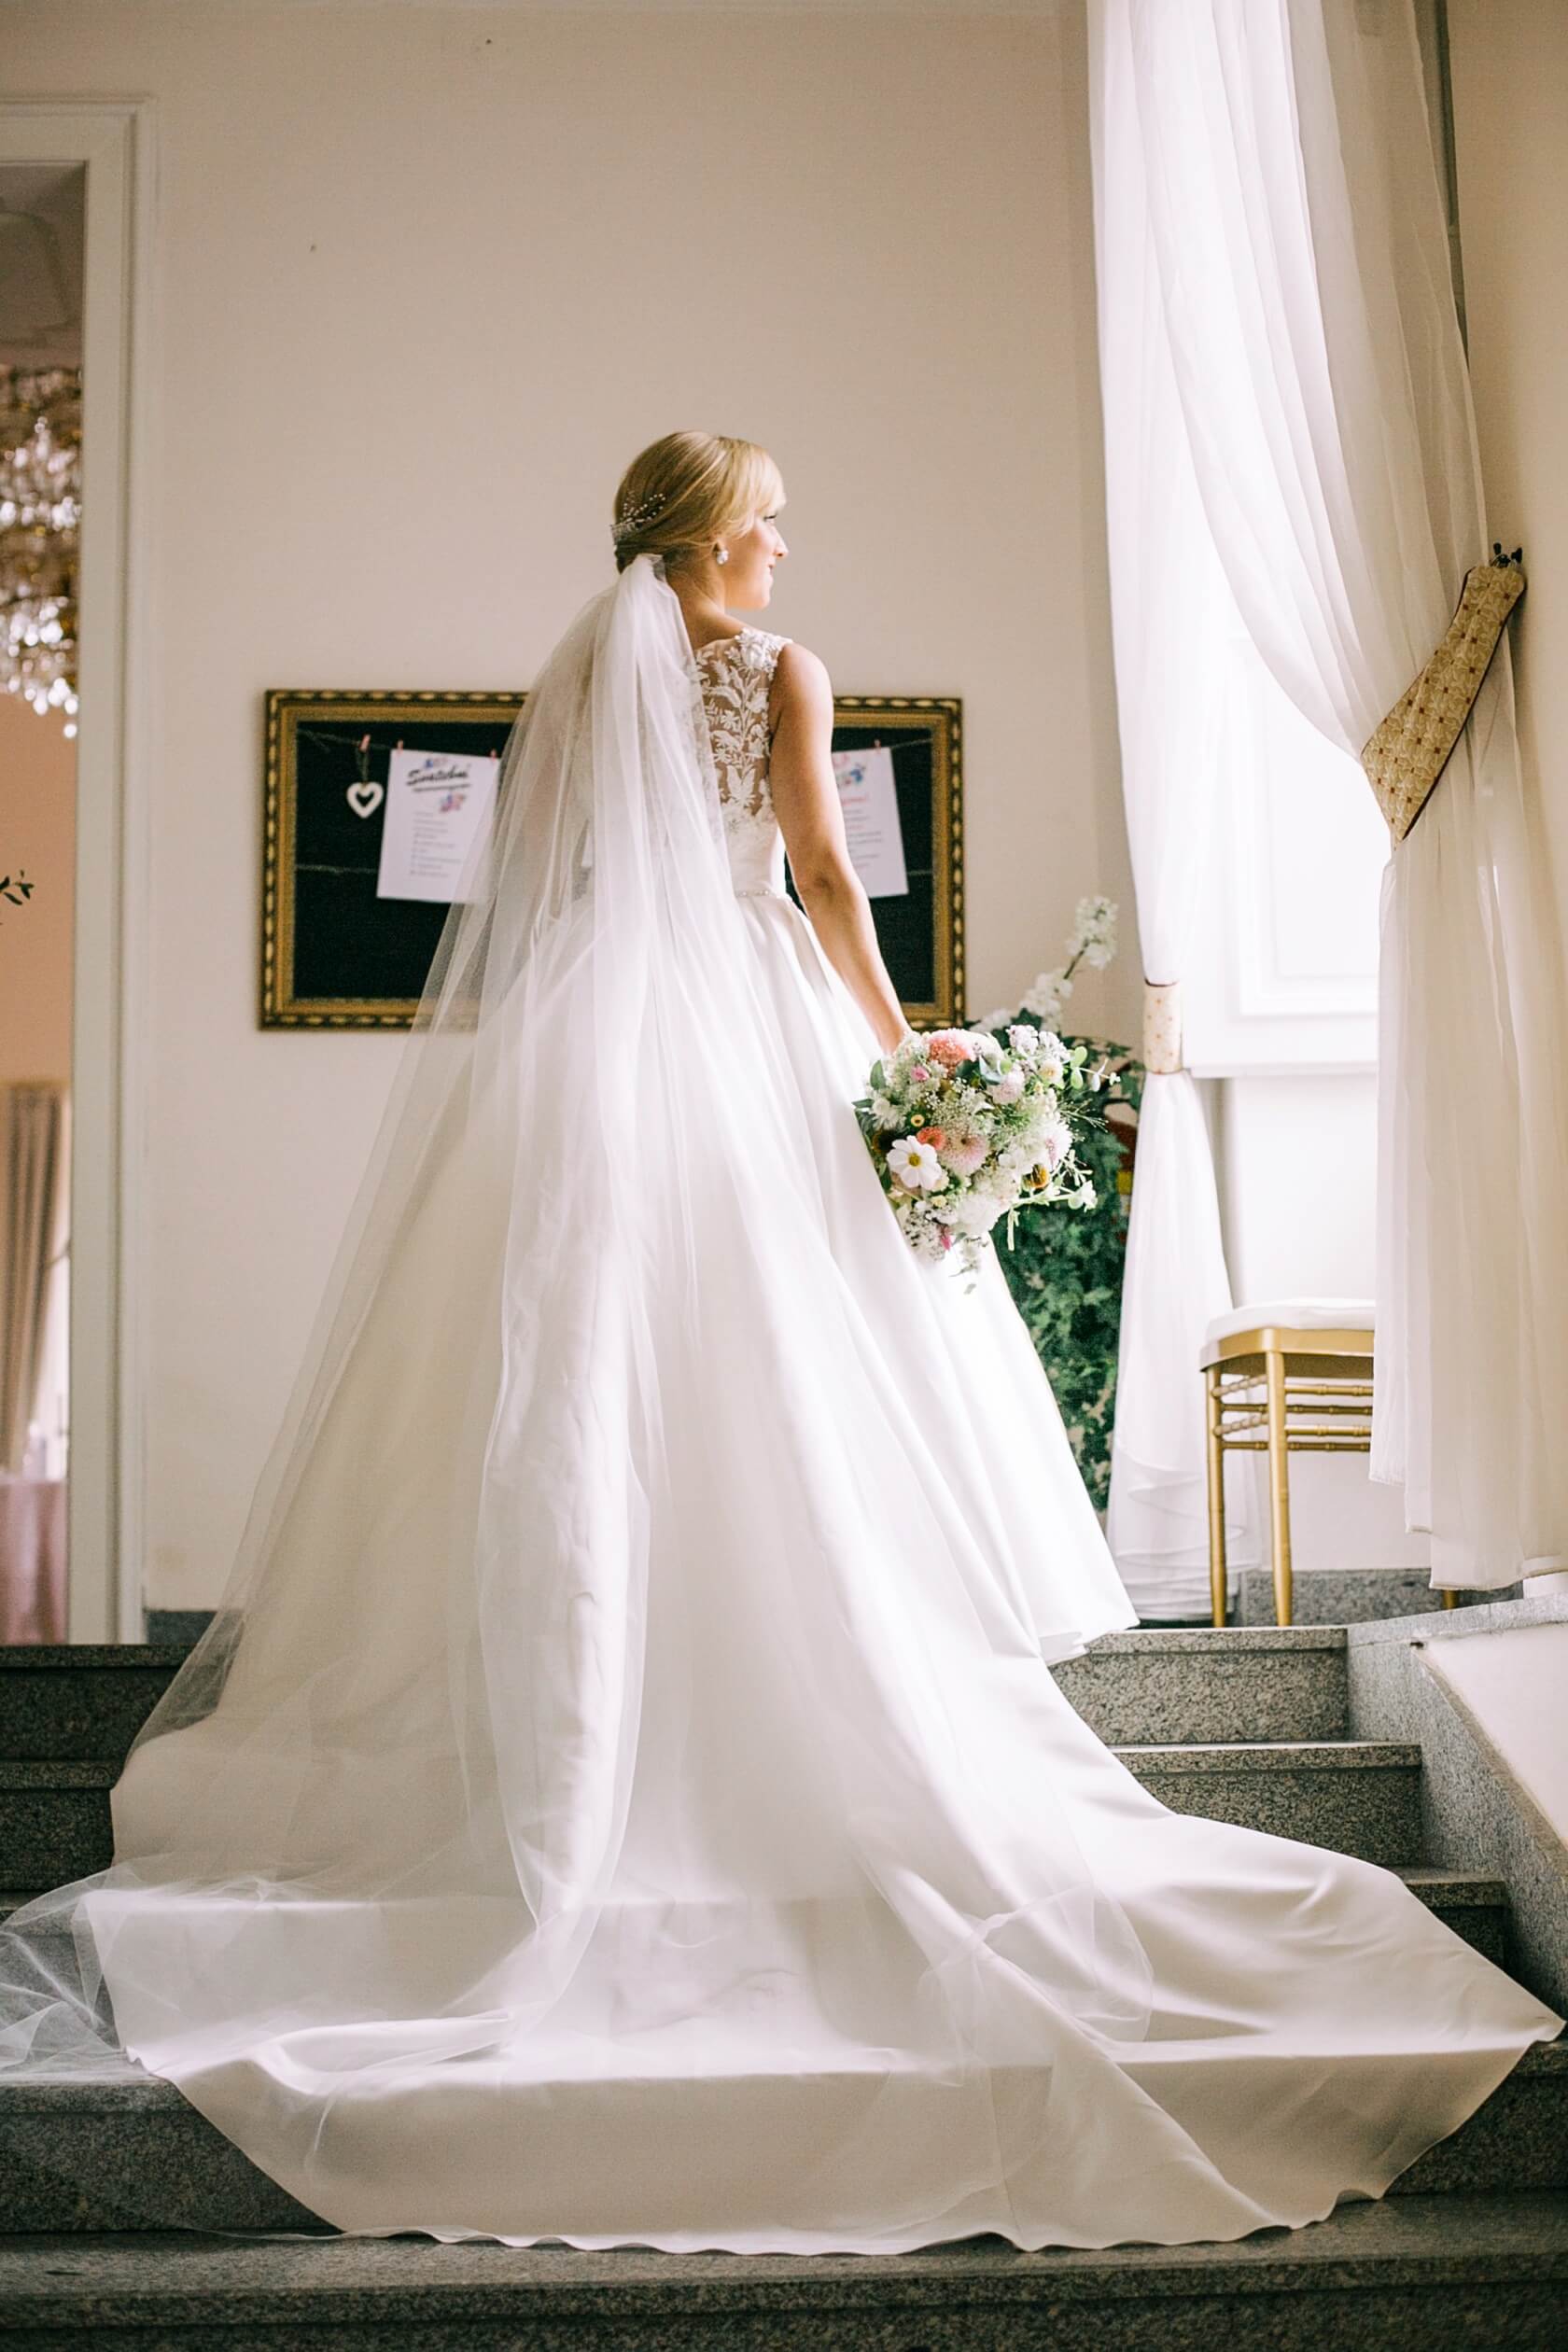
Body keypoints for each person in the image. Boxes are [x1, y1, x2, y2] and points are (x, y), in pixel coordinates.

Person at [0, 431, 1556, 2256]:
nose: (788, 540)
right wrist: (910, 1054)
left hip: (587, 1053)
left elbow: (544, 882)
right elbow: (822, 875)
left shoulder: (580, 666)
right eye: (771, 514)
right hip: (744, 1026)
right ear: (719, 534)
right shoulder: (779, 674)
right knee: (792, 1390)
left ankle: (588, 1734)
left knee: (585, 1397)